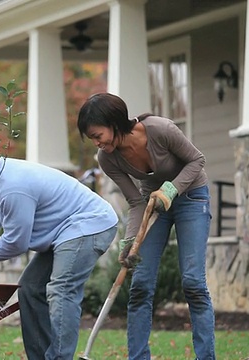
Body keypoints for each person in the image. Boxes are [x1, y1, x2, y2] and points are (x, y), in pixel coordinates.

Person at [77, 93, 216, 360]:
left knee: (193, 283)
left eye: (98, 135)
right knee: (140, 283)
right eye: (92, 138)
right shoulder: (107, 159)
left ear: (114, 122)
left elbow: (197, 160)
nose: (97, 143)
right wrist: (129, 243)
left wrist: (173, 189)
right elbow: (135, 200)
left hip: (191, 196)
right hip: (154, 206)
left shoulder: (160, 130)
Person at [0, 136, 119, 360]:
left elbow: (17, 243)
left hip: (88, 223)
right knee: (30, 288)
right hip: (61, 233)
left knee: (61, 290)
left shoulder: (12, 187)